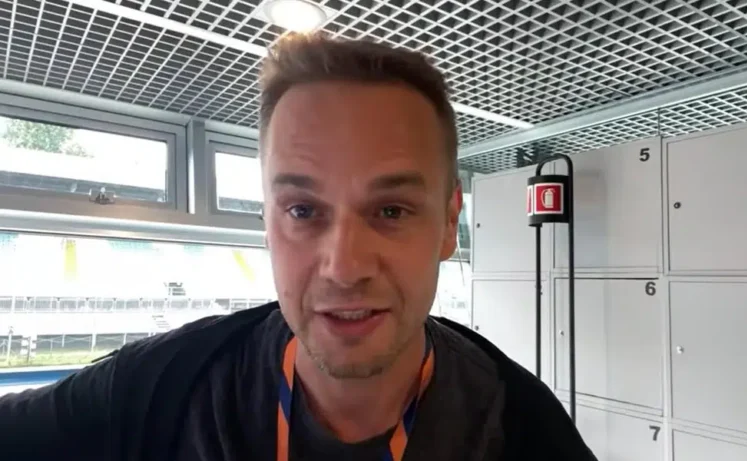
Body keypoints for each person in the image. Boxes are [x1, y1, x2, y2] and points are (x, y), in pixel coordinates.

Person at [0, 33, 596, 461]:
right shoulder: (164, 388)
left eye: (391, 210)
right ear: (267, 223)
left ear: (448, 224)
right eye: (304, 211)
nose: (345, 267)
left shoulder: (522, 429)